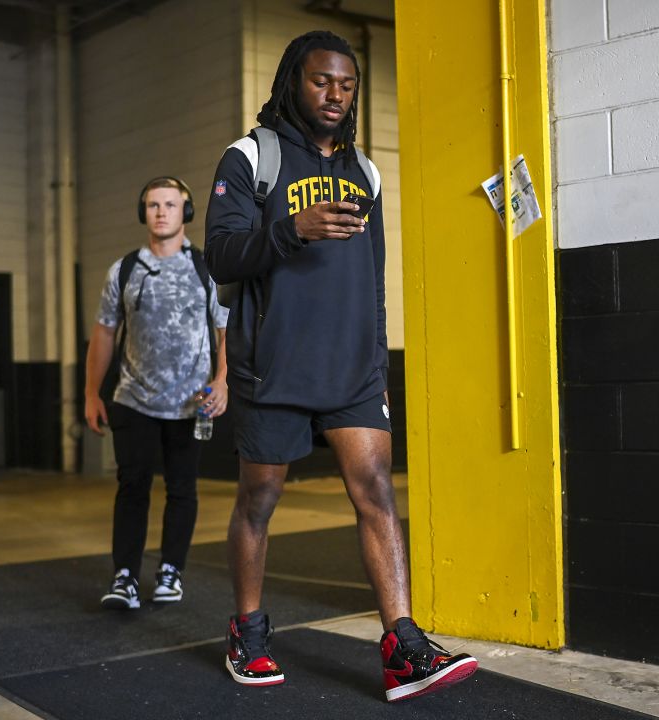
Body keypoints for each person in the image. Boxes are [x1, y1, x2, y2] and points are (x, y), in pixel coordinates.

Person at [204, 30, 478, 701]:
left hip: (353, 367)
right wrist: (291, 230)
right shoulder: (252, 158)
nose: (336, 94)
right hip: (275, 363)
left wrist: (376, 357)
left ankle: (403, 646)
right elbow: (221, 256)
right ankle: (248, 629)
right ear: (295, 79)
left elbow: (373, 275)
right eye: (323, 80)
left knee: (377, 489)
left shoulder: (367, 171)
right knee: (260, 500)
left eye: (348, 84)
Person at [84, 176, 229, 609]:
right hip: (134, 399)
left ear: (186, 211)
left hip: (191, 403)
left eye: (170, 204)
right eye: (152, 205)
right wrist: (92, 392)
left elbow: (226, 332)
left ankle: (171, 570)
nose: (161, 212)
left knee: (183, 489)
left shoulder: (208, 269)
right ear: (142, 211)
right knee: (132, 487)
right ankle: (125, 576)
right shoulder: (124, 269)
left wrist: (222, 381)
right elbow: (104, 334)